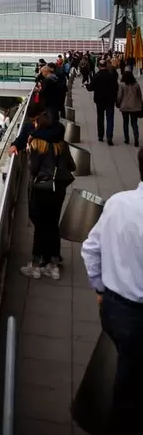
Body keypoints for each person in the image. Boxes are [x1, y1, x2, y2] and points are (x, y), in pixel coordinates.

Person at [81, 147, 143, 429]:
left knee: (127, 377)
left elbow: (90, 249)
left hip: (116, 307)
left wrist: (99, 289)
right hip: (133, 316)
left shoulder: (118, 203)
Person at [20, 111, 76, 280]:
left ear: (42, 125)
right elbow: (72, 166)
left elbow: (34, 170)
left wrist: (29, 152)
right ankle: (53, 265)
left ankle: (36, 266)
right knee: (53, 225)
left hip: (42, 189)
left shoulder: (37, 144)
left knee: (40, 227)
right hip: (58, 189)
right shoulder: (61, 145)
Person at [87, 58, 119, 144]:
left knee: (100, 118)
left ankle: (100, 136)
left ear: (99, 66)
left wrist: (87, 85)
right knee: (110, 118)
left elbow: (90, 88)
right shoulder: (111, 76)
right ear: (106, 66)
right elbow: (116, 87)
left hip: (99, 100)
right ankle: (109, 137)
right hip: (110, 100)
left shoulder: (97, 76)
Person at [116, 69, 142, 147]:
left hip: (125, 106)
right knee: (134, 123)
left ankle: (126, 138)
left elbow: (119, 96)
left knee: (125, 122)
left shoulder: (122, 85)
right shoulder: (136, 85)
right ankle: (136, 137)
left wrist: (118, 102)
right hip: (135, 106)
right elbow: (139, 95)